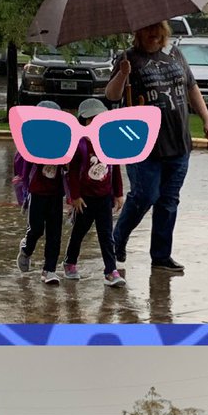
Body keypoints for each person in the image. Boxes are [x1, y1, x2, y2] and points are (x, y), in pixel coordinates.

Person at [106, 21, 208, 274]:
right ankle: (116, 240)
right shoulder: (128, 58)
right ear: (138, 32)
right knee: (144, 196)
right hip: (143, 145)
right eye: (148, 30)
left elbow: (191, 87)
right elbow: (112, 96)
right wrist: (123, 74)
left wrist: (207, 120)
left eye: (158, 31)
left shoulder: (175, 53)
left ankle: (161, 256)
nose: (154, 35)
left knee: (168, 201)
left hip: (178, 142)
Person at [62, 98, 125, 286]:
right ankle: (70, 262)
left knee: (106, 235)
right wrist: (75, 196)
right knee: (79, 232)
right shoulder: (80, 145)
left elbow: (115, 169)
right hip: (85, 199)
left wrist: (118, 193)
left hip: (104, 198)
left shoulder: (109, 141)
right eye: (91, 119)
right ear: (83, 122)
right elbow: (73, 172)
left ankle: (110, 270)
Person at [13, 100, 66, 285]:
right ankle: (26, 249)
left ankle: (49, 270)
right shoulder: (30, 139)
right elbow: (20, 165)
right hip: (36, 193)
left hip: (56, 193)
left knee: (55, 233)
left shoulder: (63, 138)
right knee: (36, 229)